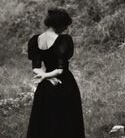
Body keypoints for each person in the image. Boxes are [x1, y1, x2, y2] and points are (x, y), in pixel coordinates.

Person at [26, 8, 85, 138]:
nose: (65, 29)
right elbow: (60, 70)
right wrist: (49, 77)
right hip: (64, 85)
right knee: (66, 122)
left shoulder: (36, 40)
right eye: (65, 25)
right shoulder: (64, 40)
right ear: (60, 24)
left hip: (46, 88)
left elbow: (35, 67)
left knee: (46, 122)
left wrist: (45, 77)